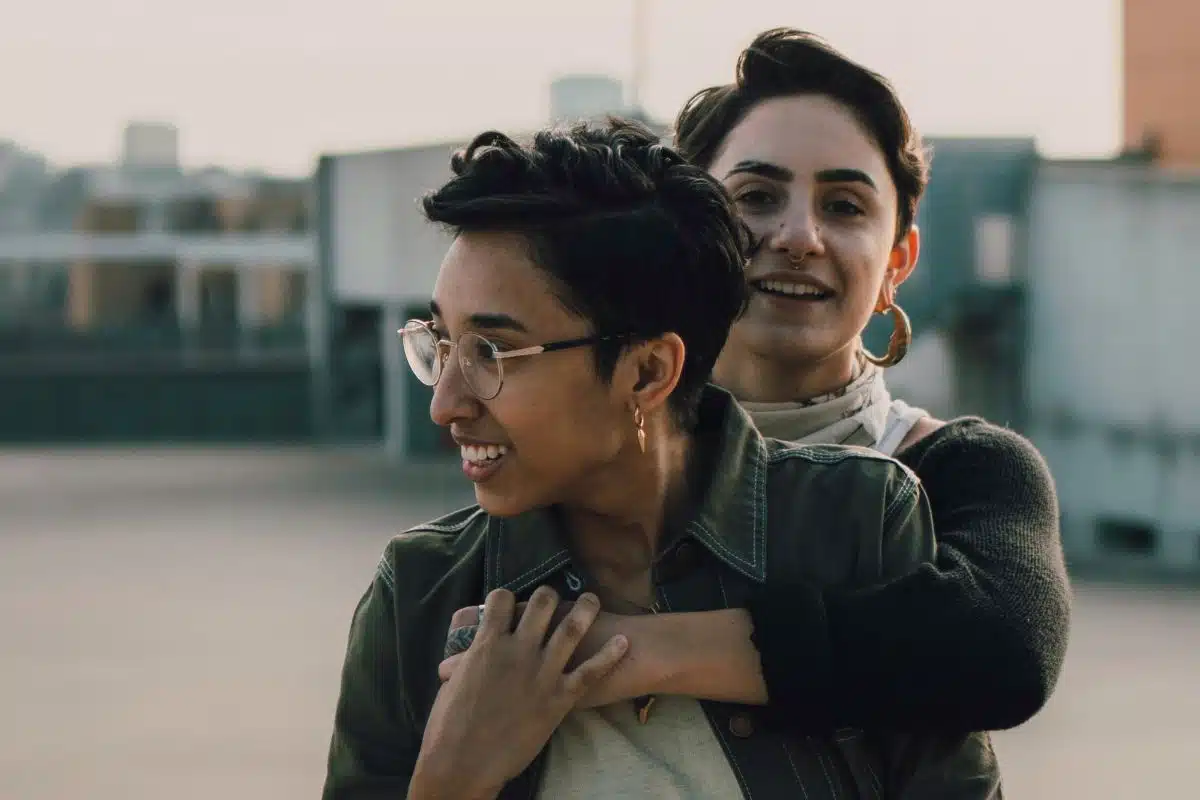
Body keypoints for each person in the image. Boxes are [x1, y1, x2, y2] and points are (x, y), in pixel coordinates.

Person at [323, 119, 1000, 798]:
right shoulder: (423, 592)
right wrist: (450, 779)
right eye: (441, 342)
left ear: (648, 372)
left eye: (492, 353)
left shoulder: (856, 524)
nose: (445, 404)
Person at [443, 28, 1071, 736]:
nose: (799, 237)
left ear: (898, 261)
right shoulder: (581, 464)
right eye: (757, 196)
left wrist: (627, 650)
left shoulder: (959, 469)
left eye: (844, 206)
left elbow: (1002, 648)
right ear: (689, 236)